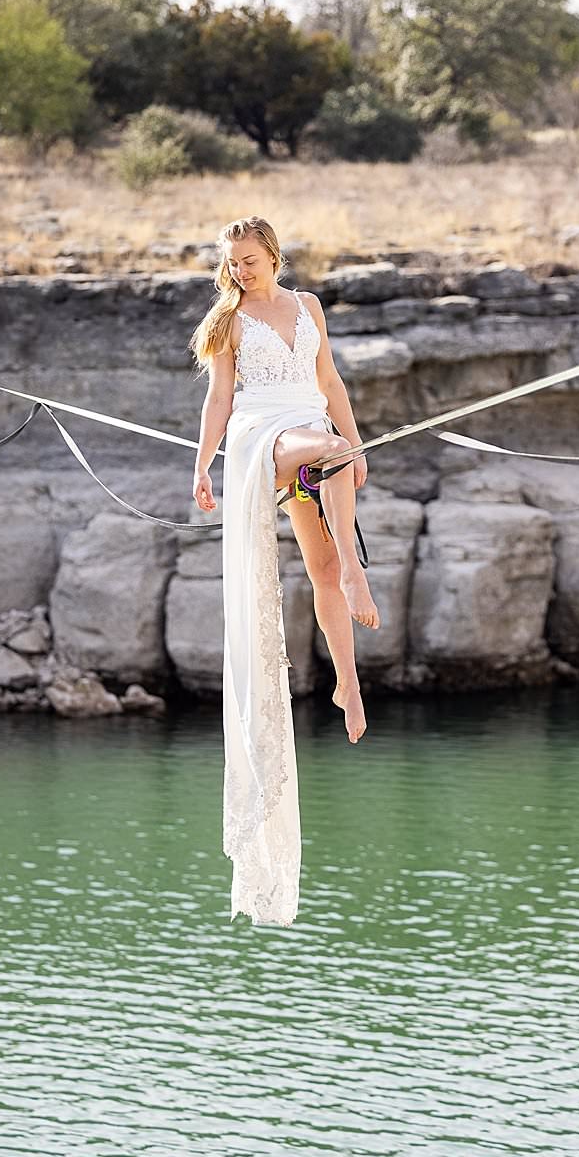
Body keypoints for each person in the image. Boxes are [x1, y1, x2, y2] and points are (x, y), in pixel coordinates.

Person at [188, 215, 379, 926]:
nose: (242, 271)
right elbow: (218, 401)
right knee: (324, 457)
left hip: (315, 445)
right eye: (232, 263)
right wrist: (201, 465)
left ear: (272, 254)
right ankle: (363, 575)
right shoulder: (229, 322)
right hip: (264, 442)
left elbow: (327, 376)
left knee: (321, 565)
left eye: (251, 260)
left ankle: (348, 689)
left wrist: (357, 446)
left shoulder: (308, 307)